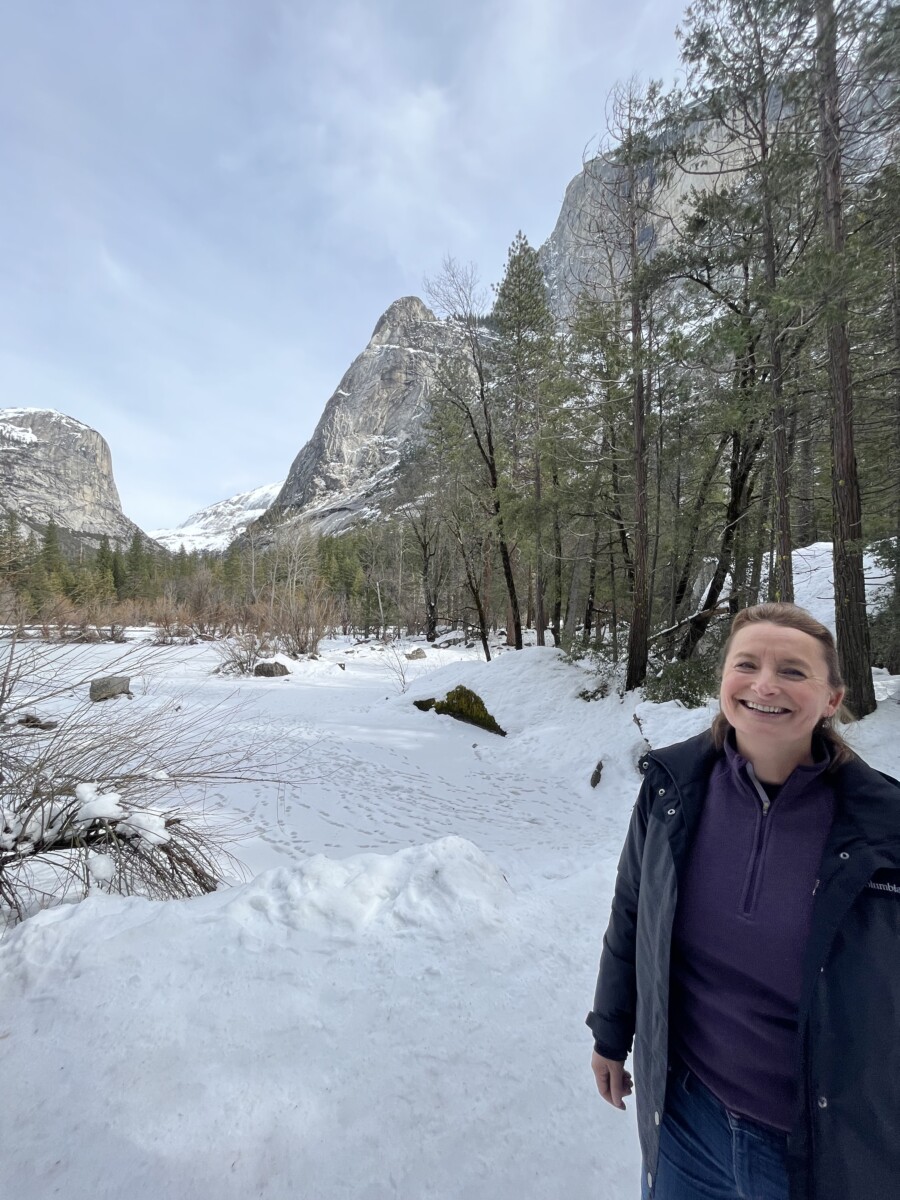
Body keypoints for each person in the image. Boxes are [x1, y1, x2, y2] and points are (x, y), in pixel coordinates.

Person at [586, 602, 900, 1200]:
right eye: (746, 664)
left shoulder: (883, 827)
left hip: (815, 1147)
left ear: (832, 699)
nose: (764, 685)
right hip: (684, 1120)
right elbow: (632, 914)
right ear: (724, 680)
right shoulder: (672, 788)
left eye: (793, 671)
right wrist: (610, 1031)